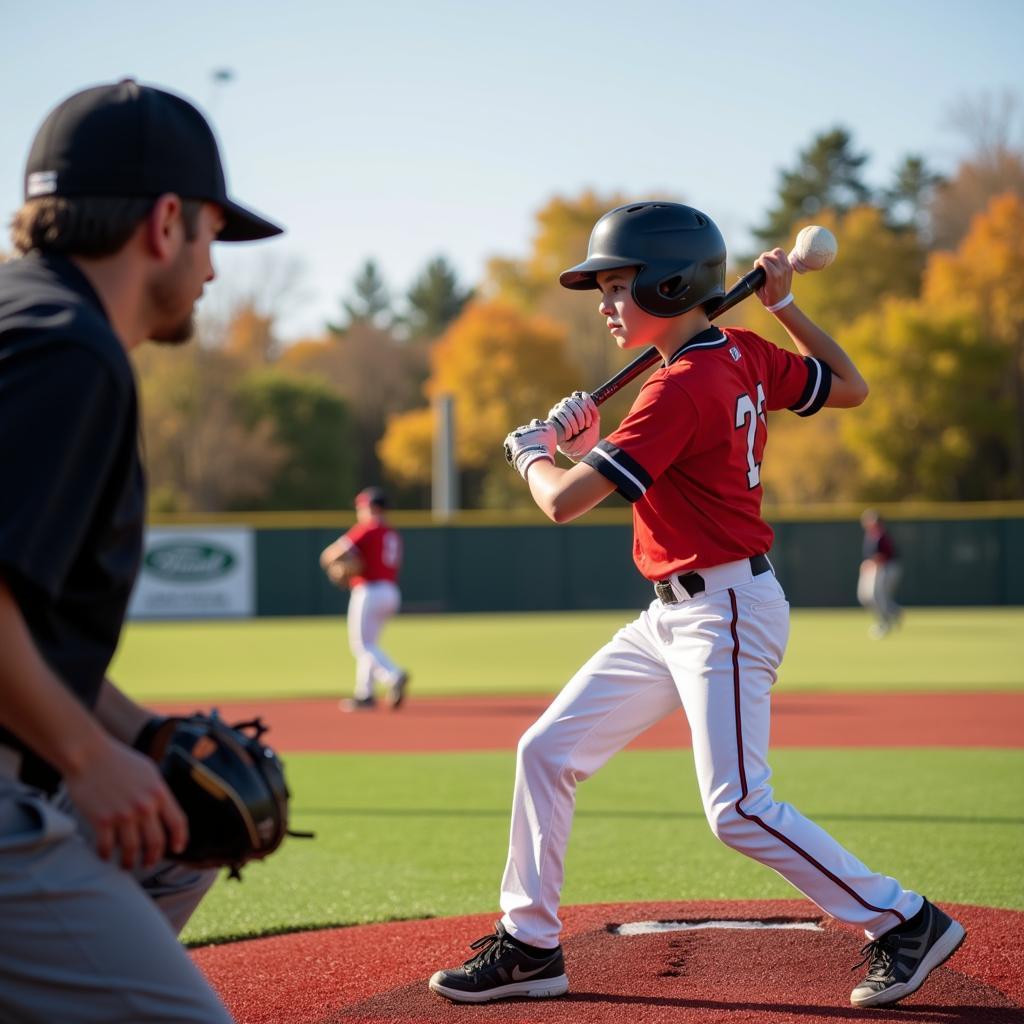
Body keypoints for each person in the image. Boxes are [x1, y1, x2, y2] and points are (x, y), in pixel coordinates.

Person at [428, 202, 964, 1010]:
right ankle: (532, 947)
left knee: (739, 808)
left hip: (726, 610)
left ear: (672, 284)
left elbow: (563, 503)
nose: (606, 302)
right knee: (546, 752)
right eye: (602, 287)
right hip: (674, 613)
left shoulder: (680, 387)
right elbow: (848, 384)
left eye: (619, 284)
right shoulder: (738, 351)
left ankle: (905, 921)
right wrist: (785, 309)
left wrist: (536, 453)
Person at [0, 79, 282, 1023]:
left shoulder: (23, 316)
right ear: (166, 223)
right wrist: (87, 755)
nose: (211, 267)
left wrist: (140, 736)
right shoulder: (68, 349)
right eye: (211, 234)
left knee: (165, 831)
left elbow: (28, 630)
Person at [320, 487, 410, 711]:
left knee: (362, 645)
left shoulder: (367, 529)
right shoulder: (392, 533)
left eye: (362, 507)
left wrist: (337, 566)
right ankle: (365, 694)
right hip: (390, 591)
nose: (360, 511)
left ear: (372, 508)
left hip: (369, 591)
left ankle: (393, 675)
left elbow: (329, 555)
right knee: (370, 644)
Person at [858, 509, 903, 637]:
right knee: (868, 597)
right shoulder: (870, 535)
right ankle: (894, 612)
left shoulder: (881, 535)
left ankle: (884, 623)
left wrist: (870, 564)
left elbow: (885, 555)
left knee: (878, 596)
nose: (866, 522)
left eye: (869, 519)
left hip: (887, 568)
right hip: (876, 568)